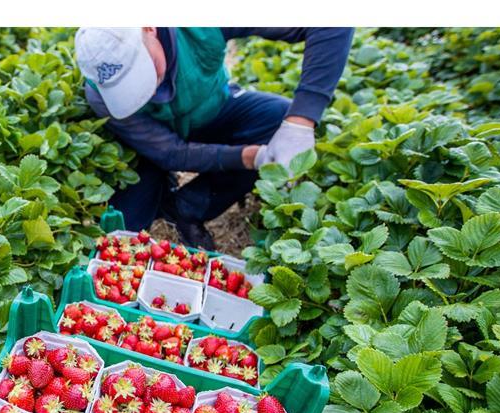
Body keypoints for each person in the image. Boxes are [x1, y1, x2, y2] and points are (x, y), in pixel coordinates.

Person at [75, 27, 354, 249]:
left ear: (149, 28)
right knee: (125, 229)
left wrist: (300, 122)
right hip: (150, 148)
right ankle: (158, 186)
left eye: (143, 71)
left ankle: (186, 207)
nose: (144, 91)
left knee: (276, 118)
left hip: (213, 109)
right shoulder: (100, 95)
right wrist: (249, 156)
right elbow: (169, 152)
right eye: (125, 87)